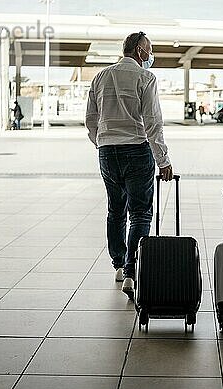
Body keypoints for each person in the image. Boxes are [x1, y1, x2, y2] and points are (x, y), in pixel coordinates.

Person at [85, 31, 173, 299]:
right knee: (141, 213)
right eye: (149, 49)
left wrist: (102, 142)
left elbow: (91, 118)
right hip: (137, 149)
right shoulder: (145, 77)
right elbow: (153, 122)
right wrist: (163, 160)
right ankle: (132, 270)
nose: (151, 55)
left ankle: (118, 265)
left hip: (108, 151)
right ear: (139, 50)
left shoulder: (101, 76)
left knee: (115, 209)